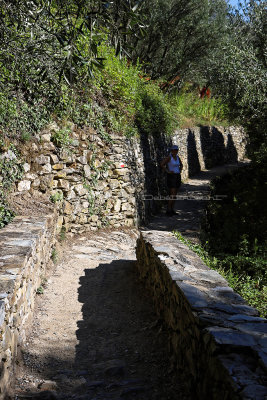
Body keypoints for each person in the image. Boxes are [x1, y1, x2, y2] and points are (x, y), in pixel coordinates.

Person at [160, 145, 183, 216]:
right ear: (171, 150)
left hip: (177, 176)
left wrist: (180, 170)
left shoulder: (178, 157)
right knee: (172, 194)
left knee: (175, 194)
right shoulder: (169, 157)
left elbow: (181, 165)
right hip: (171, 176)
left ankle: (172, 210)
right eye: (174, 150)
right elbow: (162, 164)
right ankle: (168, 210)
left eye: (176, 150)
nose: (175, 151)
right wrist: (168, 171)